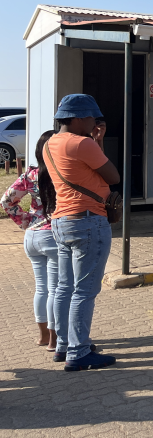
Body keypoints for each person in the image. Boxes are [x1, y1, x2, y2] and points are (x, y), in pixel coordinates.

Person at [45, 94, 119, 371]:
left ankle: (63, 345)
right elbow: (113, 176)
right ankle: (79, 351)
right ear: (77, 118)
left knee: (64, 287)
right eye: (91, 118)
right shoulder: (82, 143)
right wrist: (98, 141)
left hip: (62, 220)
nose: (94, 124)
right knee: (85, 291)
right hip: (88, 220)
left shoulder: (51, 142)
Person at [1, 130, 58, 352]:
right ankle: (55, 339)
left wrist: (24, 221)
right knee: (56, 289)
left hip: (32, 236)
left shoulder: (30, 175)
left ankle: (42, 336)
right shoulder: (62, 174)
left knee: (41, 288)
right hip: (53, 235)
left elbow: (6, 201)